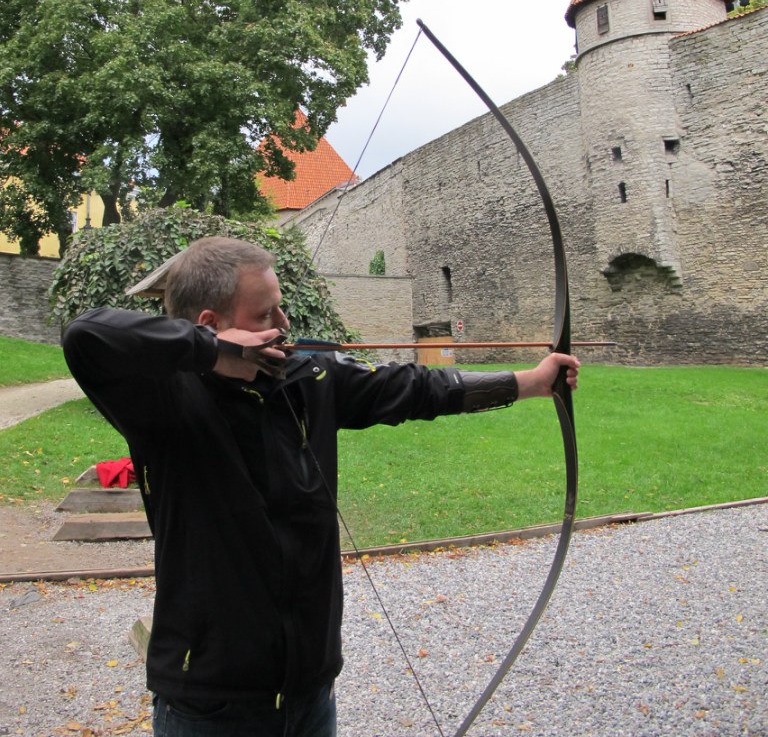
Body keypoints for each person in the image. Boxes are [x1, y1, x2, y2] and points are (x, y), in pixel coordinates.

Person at [62, 236, 580, 737]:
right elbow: (85, 335)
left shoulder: (309, 379)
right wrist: (209, 352)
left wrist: (530, 382)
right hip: (209, 702)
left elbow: (415, 387)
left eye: (280, 309)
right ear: (212, 325)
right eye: (266, 315)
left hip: (310, 691)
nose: (284, 325)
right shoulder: (162, 400)